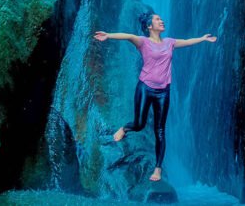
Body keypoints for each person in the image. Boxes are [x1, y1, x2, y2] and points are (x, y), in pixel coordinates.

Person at [92, 12, 218, 182]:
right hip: (145, 88)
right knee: (139, 124)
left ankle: (157, 169)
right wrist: (109, 35)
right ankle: (125, 128)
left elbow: (187, 42)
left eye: (161, 19)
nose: (162, 21)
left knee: (159, 130)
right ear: (149, 26)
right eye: (158, 19)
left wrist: (202, 38)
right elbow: (127, 36)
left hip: (163, 91)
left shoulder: (169, 42)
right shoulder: (143, 42)